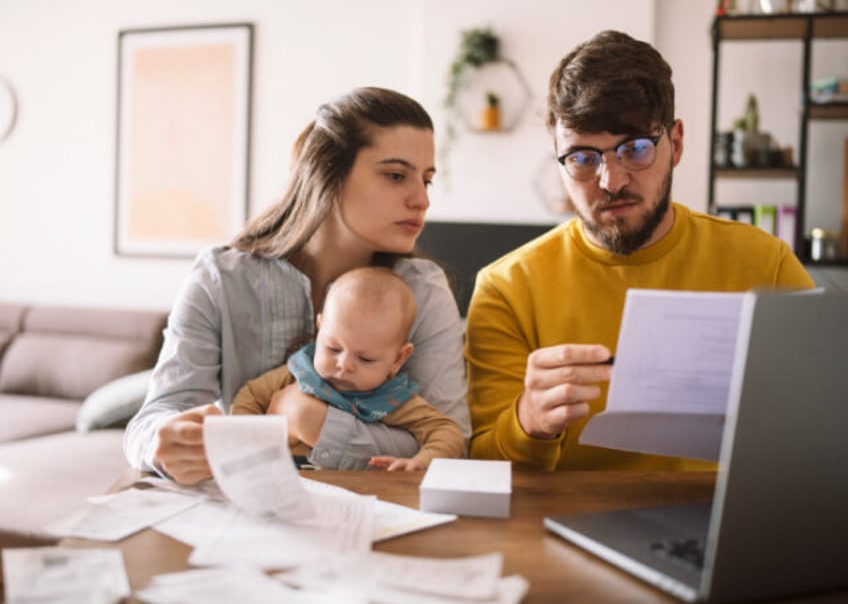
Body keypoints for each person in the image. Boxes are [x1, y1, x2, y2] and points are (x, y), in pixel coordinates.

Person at [465, 30, 815, 472]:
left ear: (678, 144)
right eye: (582, 157)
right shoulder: (506, 289)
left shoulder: (767, 264)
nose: (611, 181)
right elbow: (482, 472)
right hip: (563, 530)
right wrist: (529, 422)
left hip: (723, 525)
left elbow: (822, 426)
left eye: (635, 149)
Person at [124, 87, 470, 485]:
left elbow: (453, 442)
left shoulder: (423, 290)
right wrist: (163, 443)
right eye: (395, 176)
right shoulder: (220, 278)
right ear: (327, 175)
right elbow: (152, 419)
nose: (422, 199)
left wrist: (310, 421)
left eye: (426, 180)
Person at [231, 266, 464, 471]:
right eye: (333, 348)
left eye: (365, 359)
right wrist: (242, 445)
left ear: (398, 359)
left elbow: (448, 433)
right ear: (320, 328)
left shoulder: (392, 398)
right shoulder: (299, 371)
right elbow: (250, 396)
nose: (344, 365)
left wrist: (422, 461)